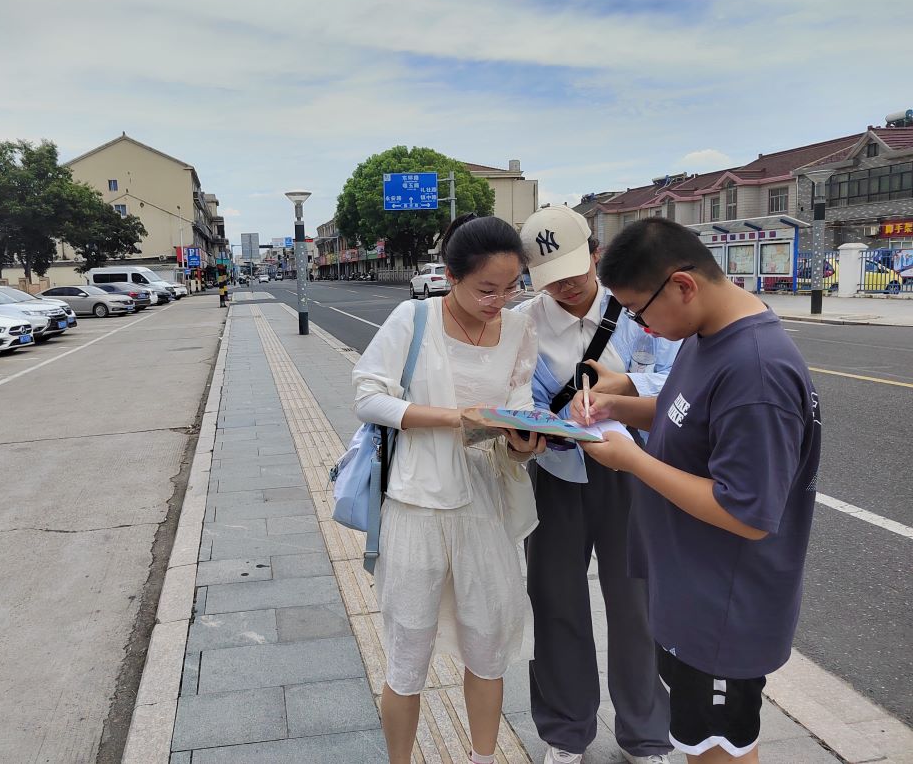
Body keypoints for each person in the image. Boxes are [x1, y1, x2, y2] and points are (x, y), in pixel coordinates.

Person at [573, 217, 821, 763]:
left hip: (722, 614)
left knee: (718, 753)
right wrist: (618, 407)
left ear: (683, 285)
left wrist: (633, 460)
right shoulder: (707, 332)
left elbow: (747, 512)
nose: (643, 326)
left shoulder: (756, 371)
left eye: (641, 310)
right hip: (691, 594)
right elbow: (686, 415)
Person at [352, 213, 545, 764]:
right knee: (407, 654)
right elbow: (368, 397)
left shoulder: (517, 328)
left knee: (487, 647)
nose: (500, 301)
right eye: (487, 289)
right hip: (416, 503)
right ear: (452, 277)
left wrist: (524, 442)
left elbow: (521, 405)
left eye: (511, 288)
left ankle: (483, 758)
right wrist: (453, 417)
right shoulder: (413, 318)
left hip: (486, 502)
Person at [516, 207, 676, 764]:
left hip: (632, 470)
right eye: (549, 274)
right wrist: (528, 431)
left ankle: (648, 733)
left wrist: (624, 389)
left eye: (573, 269)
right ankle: (565, 731)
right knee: (555, 600)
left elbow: (681, 380)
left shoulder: (639, 311)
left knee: (637, 603)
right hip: (557, 474)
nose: (564, 284)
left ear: (596, 253)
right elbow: (519, 397)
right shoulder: (525, 325)